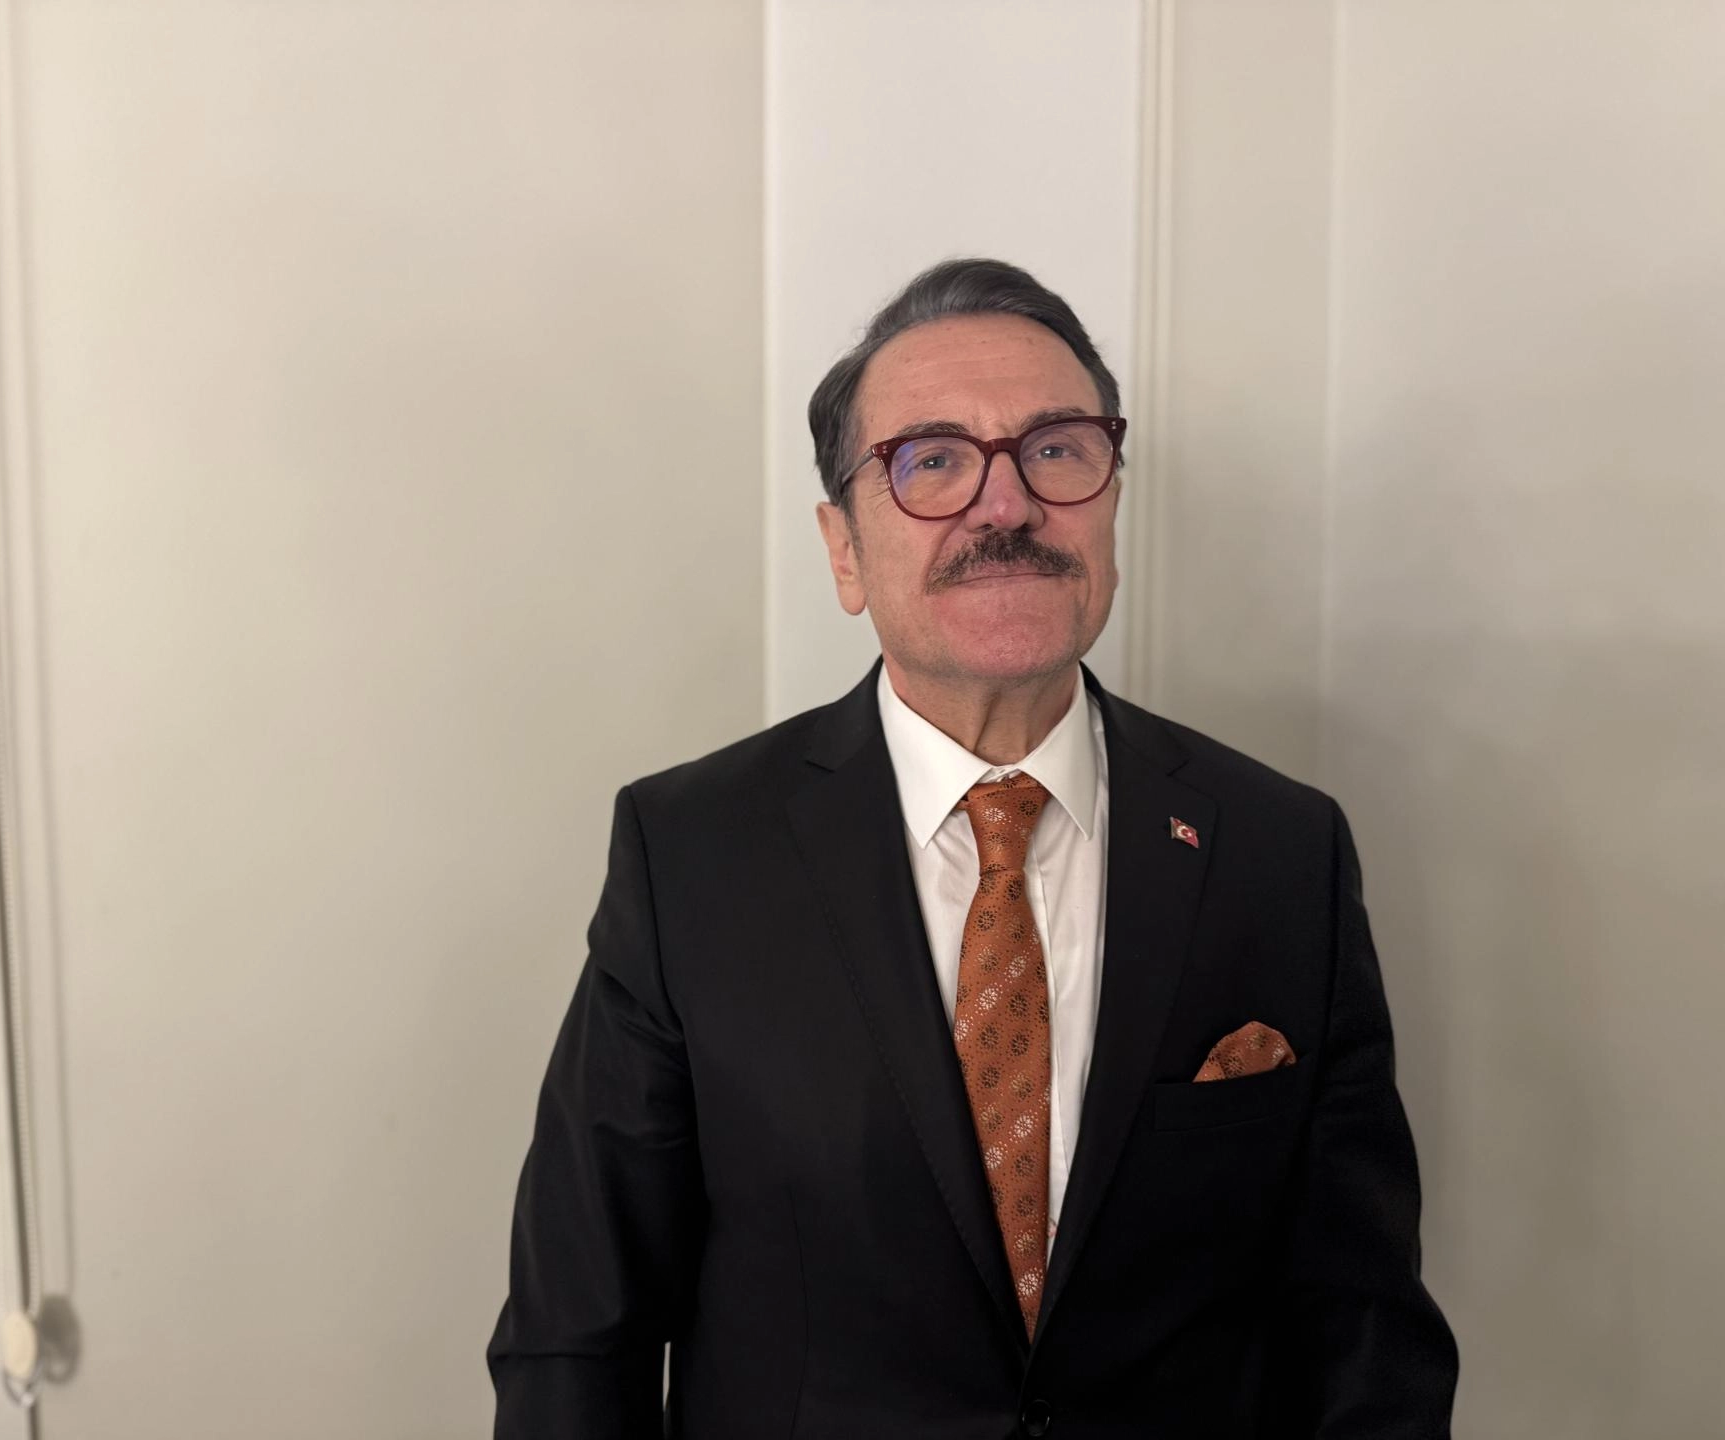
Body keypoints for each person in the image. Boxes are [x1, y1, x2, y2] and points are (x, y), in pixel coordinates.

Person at [488, 257, 1458, 1437]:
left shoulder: (1280, 850)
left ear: (1111, 508)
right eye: (933, 462)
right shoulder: (691, 854)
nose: (1006, 507)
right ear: (845, 550)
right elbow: (578, 1328)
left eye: (1055, 449)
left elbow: (1363, 1328)